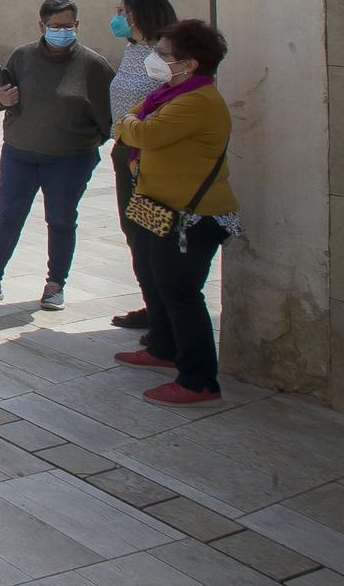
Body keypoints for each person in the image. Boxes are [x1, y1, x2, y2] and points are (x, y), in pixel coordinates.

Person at [112, 20, 238, 405]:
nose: (157, 60)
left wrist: (130, 124)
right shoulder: (169, 94)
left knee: (181, 292)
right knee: (156, 281)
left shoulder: (197, 102)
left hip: (192, 216)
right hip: (160, 208)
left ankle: (199, 380)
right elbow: (130, 117)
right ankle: (164, 349)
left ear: (190, 63)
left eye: (165, 55)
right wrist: (130, 122)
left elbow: (141, 132)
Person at [0, 0, 115, 310]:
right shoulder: (22, 56)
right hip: (19, 153)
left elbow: (107, 118)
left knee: (60, 220)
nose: (62, 31)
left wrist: (80, 144)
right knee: (8, 217)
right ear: (41, 26)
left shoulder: (93, 65)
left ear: (77, 25)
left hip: (69, 159)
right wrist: (1, 99)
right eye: (55, 26)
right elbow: (0, 97)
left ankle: (55, 284)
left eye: (68, 25)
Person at [107, 0, 180, 331]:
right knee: (134, 230)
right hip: (125, 151)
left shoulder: (165, 56)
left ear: (141, 15)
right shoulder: (134, 50)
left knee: (152, 232)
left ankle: (164, 315)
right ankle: (152, 303)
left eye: (123, 11)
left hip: (149, 157)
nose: (118, 18)